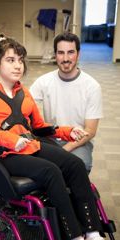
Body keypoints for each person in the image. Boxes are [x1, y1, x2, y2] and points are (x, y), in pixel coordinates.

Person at [0, 33, 117, 240]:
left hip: (29, 144)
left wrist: (68, 131)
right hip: (2, 154)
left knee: (75, 165)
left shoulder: (22, 91)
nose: (18, 65)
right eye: (11, 60)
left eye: (20, 60)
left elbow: (40, 126)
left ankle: (94, 235)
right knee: (52, 172)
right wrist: (8, 139)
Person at [30, 32, 103, 173]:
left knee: (79, 166)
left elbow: (90, 131)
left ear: (78, 54)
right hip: (51, 138)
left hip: (78, 142)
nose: (65, 58)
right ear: (55, 55)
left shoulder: (92, 87)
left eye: (70, 52)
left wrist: (63, 151)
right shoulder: (44, 82)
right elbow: (23, 104)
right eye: (60, 53)